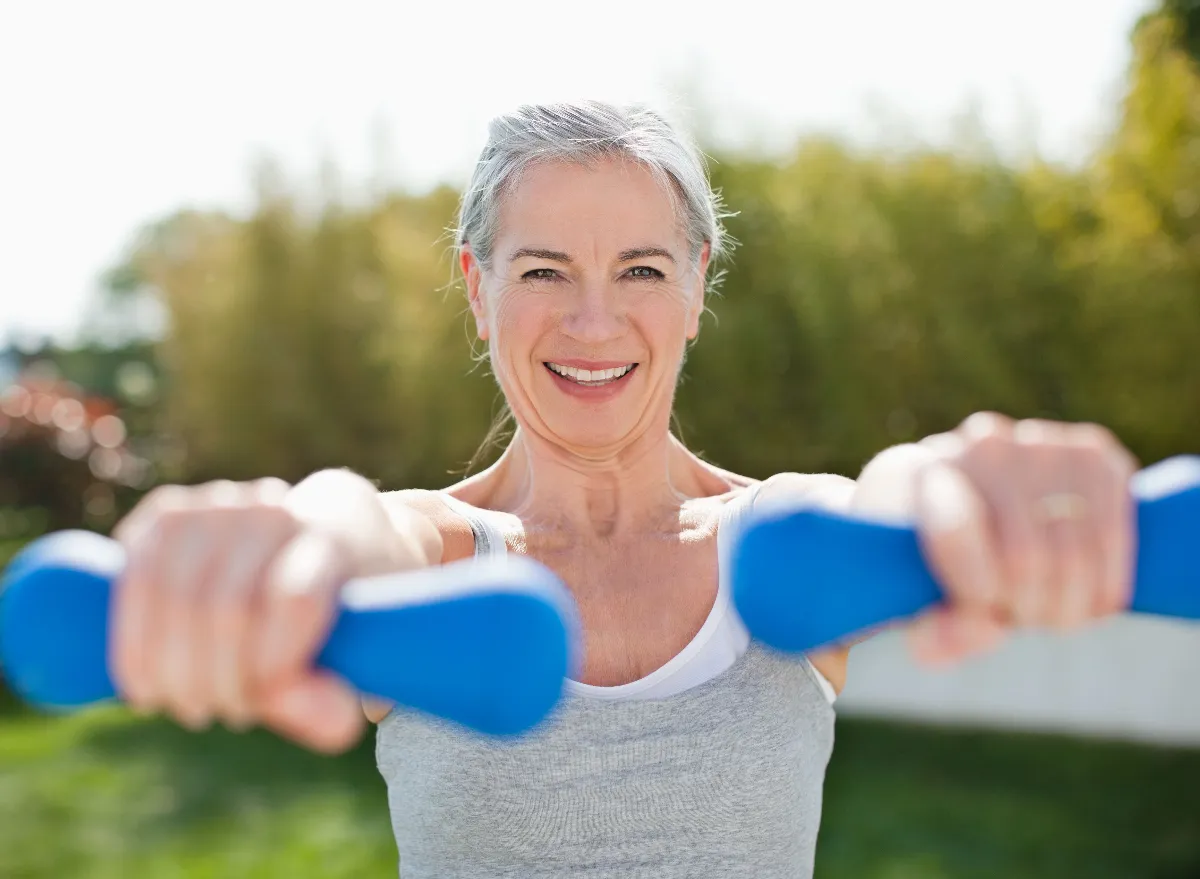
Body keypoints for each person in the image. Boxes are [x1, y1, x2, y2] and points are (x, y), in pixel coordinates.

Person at [109, 101, 1139, 878]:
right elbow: (351, 524)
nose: (594, 325)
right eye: (545, 272)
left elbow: (894, 499)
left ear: (697, 288)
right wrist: (292, 530)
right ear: (480, 291)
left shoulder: (779, 540)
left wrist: (964, 475)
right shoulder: (436, 555)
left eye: (642, 271)